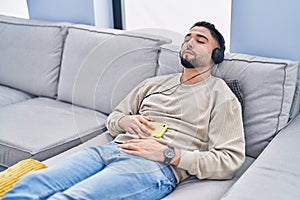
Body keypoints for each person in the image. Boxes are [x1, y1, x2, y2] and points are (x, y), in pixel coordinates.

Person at [3, 21, 245, 200]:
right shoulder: (154, 84)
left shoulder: (221, 96)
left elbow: (229, 161)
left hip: (154, 167)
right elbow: (115, 117)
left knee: (72, 197)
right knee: (32, 184)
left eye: (200, 39)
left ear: (216, 54)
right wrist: (126, 123)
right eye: (187, 37)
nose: (190, 41)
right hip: (107, 150)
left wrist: (170, 154)